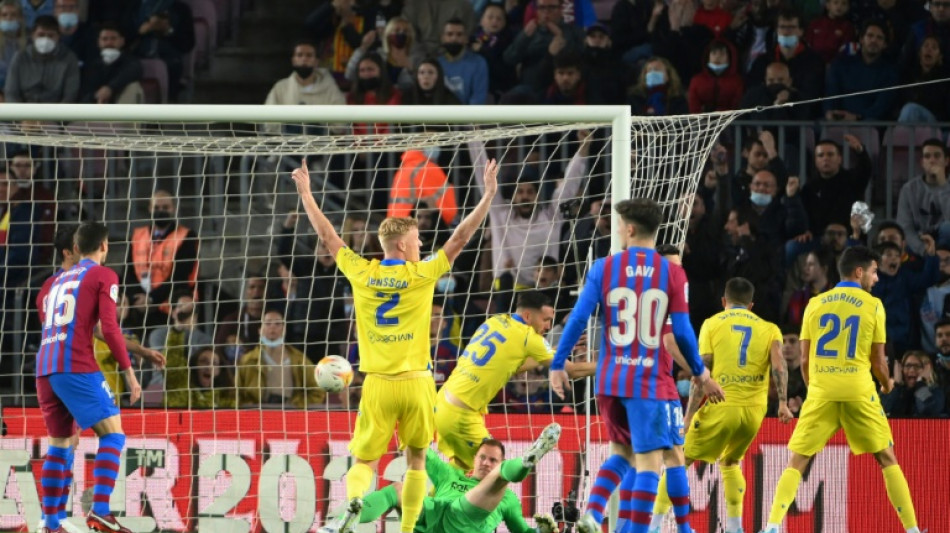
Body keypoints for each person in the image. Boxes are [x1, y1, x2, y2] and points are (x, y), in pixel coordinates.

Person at [291, 153, 499, 533]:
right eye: (418, 240)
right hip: (418, 382)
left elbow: (327, 236)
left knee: (365, 461)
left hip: (378, 384)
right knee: (418, 459)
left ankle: (353, 506)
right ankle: (407, 530)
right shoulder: (422, 275)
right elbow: (462, 237)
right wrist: (487, 196)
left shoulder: (361, 271)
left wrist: (306, 192)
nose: (421, 245)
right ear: (402, 246)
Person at [549, 199, 723, 533]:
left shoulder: (603, 267)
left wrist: (559, 362)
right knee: (649, 463)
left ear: (629, 228)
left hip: (610, 380)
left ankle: (592, 513)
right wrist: (701, 371)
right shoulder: (672, 273)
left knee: (620, 452)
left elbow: (579, 317)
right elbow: (683, 332)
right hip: (647, 383)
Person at [759, 246, 922, 533]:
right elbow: (878, 361)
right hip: (858, 391)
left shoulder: (815, 304)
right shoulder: (873, 305)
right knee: (886, 458)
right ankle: (911, 530)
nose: (876, 278)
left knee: (797, 461)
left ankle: (772, 526)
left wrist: (815, 390)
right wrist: (887, 384)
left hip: (822, 391)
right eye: (873, 272)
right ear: (859, 272)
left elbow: (806, 359)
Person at [35, 222, 166, 533]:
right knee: (113, 435)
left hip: (44, 367)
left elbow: (64, 326)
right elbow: (108, 327)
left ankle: (50, 524)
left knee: (60, 445)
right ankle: (100, 511)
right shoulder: (104, 275)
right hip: (76, 364)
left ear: (77, 248)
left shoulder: (53, 283)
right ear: (104, 246)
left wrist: (140, 351)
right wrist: (131, 374)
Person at [651, 277, 791, 533]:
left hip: (721, 405)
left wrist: (688, 415)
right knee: (731, 462)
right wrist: (782, 403)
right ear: (751, 306)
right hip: (753, 412)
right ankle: (736, 528)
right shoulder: (770, 328)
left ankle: (654, 525)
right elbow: (779, 365)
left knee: (677, 461)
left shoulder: (712, 324)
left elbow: (701, 371)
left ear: (724, 301)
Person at [435, 290, 595, 470]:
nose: (549, 326)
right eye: (546, 320)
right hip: (461, 415)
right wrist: (614, 366)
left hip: (443, 405)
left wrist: (557, 350)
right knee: (495, 475)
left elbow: (512, 366)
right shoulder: (529, 337)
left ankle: (430, 499)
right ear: (528, 316)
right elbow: (571, 370)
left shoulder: (495, 321)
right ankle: (526, 461)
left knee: (458, 472)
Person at [355, 432, 563, 533]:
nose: (485, 463)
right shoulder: (450, 475)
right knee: (398, 489)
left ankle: (526, 462)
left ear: (500, 461)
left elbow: (522, 532)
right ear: (474, 458)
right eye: (482, 457)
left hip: (464, 525)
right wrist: (414, 421)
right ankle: (344, 520)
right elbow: (419, 449)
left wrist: (539, 532)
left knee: (498, 478)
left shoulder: (508, 498)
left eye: (493, 460)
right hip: (433, 518)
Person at [124, 190, 199, 328]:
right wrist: (138, 297)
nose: (161, 211)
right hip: (139, 304)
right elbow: (128, 271)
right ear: (149, 208)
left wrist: (151, 299)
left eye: (165, 208)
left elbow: (180, 276)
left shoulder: (186, 236)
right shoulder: (137, 235)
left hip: (170, 305)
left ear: (174, 208)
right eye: (156, 208)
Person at [235, 308, 325, 408]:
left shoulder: (299, 360)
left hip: (291, 415)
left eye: (278, 324)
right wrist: (249, 408)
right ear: (260, 330)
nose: (272, 327)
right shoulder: (247, 361)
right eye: (268, 323)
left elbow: (317, 391)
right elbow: (236, 394)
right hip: (258, 415)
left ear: (284, 329)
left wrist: (298, 406)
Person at [4, 14, 78, 102]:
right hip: (23, 110)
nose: (45, 39)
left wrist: (58, 114)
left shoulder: (69, 59)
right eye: (41, 35)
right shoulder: (20, 57)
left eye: (50, 36)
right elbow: (11, 92)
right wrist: (20, 114)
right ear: (32, 35)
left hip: (56, 110)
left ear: (58, 37)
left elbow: (70, 95)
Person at [896, 138, 950, 256]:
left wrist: (943, 186)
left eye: (937, 156)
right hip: (919, 243)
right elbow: (905, 226)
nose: (932, 160)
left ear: (946, 161)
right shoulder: (909, 189)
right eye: (927, 156)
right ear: (922, 163)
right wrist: (923, 249)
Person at [79, 22, 143, 104]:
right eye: (105, 39)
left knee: (133, 87)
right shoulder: (92, 65)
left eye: (113, 39)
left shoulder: (131, 62)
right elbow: (85, 93)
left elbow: (135, 71)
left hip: (122, 104)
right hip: (98, 106)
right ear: (99, 42)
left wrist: (110, 88)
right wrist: (97, 95)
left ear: (122, 41)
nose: (109, 43)